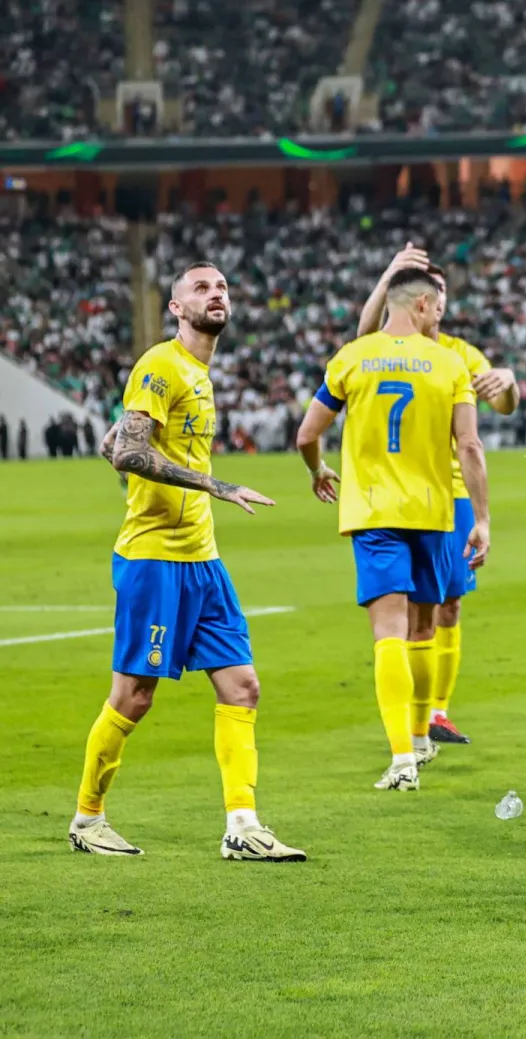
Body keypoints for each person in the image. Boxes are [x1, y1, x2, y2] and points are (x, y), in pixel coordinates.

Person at [69, 261, 305, 861]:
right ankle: (87, 819)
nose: (216, 294)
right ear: (177, 308)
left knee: (243, 686)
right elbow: (127, 449)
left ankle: (243, 825)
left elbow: (115, 444)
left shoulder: (198, 371)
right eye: (201, 288)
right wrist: (217, 486)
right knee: (135, 696)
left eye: (223, 286)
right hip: (154, 559)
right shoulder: (161, 364)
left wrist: (126, 449)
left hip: (203, 559)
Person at [295, 266, 490, 792]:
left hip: (374, 514)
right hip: (432, 513)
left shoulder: (352, 357)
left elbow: (307, 433)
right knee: (425, 630)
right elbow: (469, 446)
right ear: (424, 304)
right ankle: (425, 734)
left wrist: (317, 470)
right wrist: (483, 520)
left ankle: (403, 759)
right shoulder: (449, 364)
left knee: (389, 636)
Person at [356, 244, 518, 745]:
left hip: (452, 494)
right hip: (398, 496)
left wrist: (509, 382)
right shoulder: (382, 348)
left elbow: (505, 406)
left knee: (448, 606)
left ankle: (436, 714)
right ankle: (409, 721)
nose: (439, 298)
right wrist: (388, 271)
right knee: (405, 612)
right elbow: (360, 337)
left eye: (444, 290)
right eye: (430, 288)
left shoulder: (461, 354)